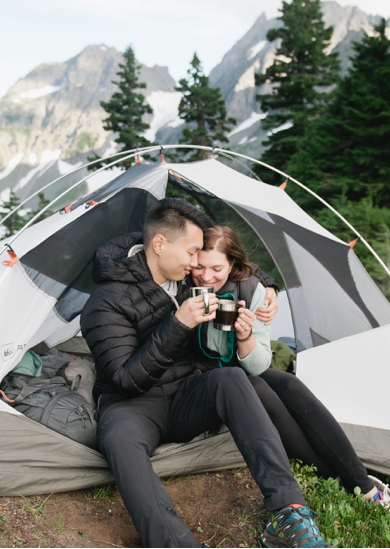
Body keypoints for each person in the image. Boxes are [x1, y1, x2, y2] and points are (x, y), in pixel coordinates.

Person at [81, 199, 328, 548]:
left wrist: (267, 286)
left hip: (186, 393)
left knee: (233, 379)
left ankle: (288, 511)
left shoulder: (185, 278)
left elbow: (229, 262)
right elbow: (124, 379)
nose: (197, 263)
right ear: (160, 245)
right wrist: (178, 324)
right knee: (118, 439)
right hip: (133, 405)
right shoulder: (104, 303)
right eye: (192, 252)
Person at [186, 225, 390, 519]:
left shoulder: (250, 290)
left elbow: (259, 364)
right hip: (208, 379)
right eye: (199, 266)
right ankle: (339, 476)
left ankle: (364, 485)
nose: (206, 276)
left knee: (288, 384)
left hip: (241, 366)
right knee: (259, 388)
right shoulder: (182, 286)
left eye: (217, 268)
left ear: (232, 265)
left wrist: (245, 336)